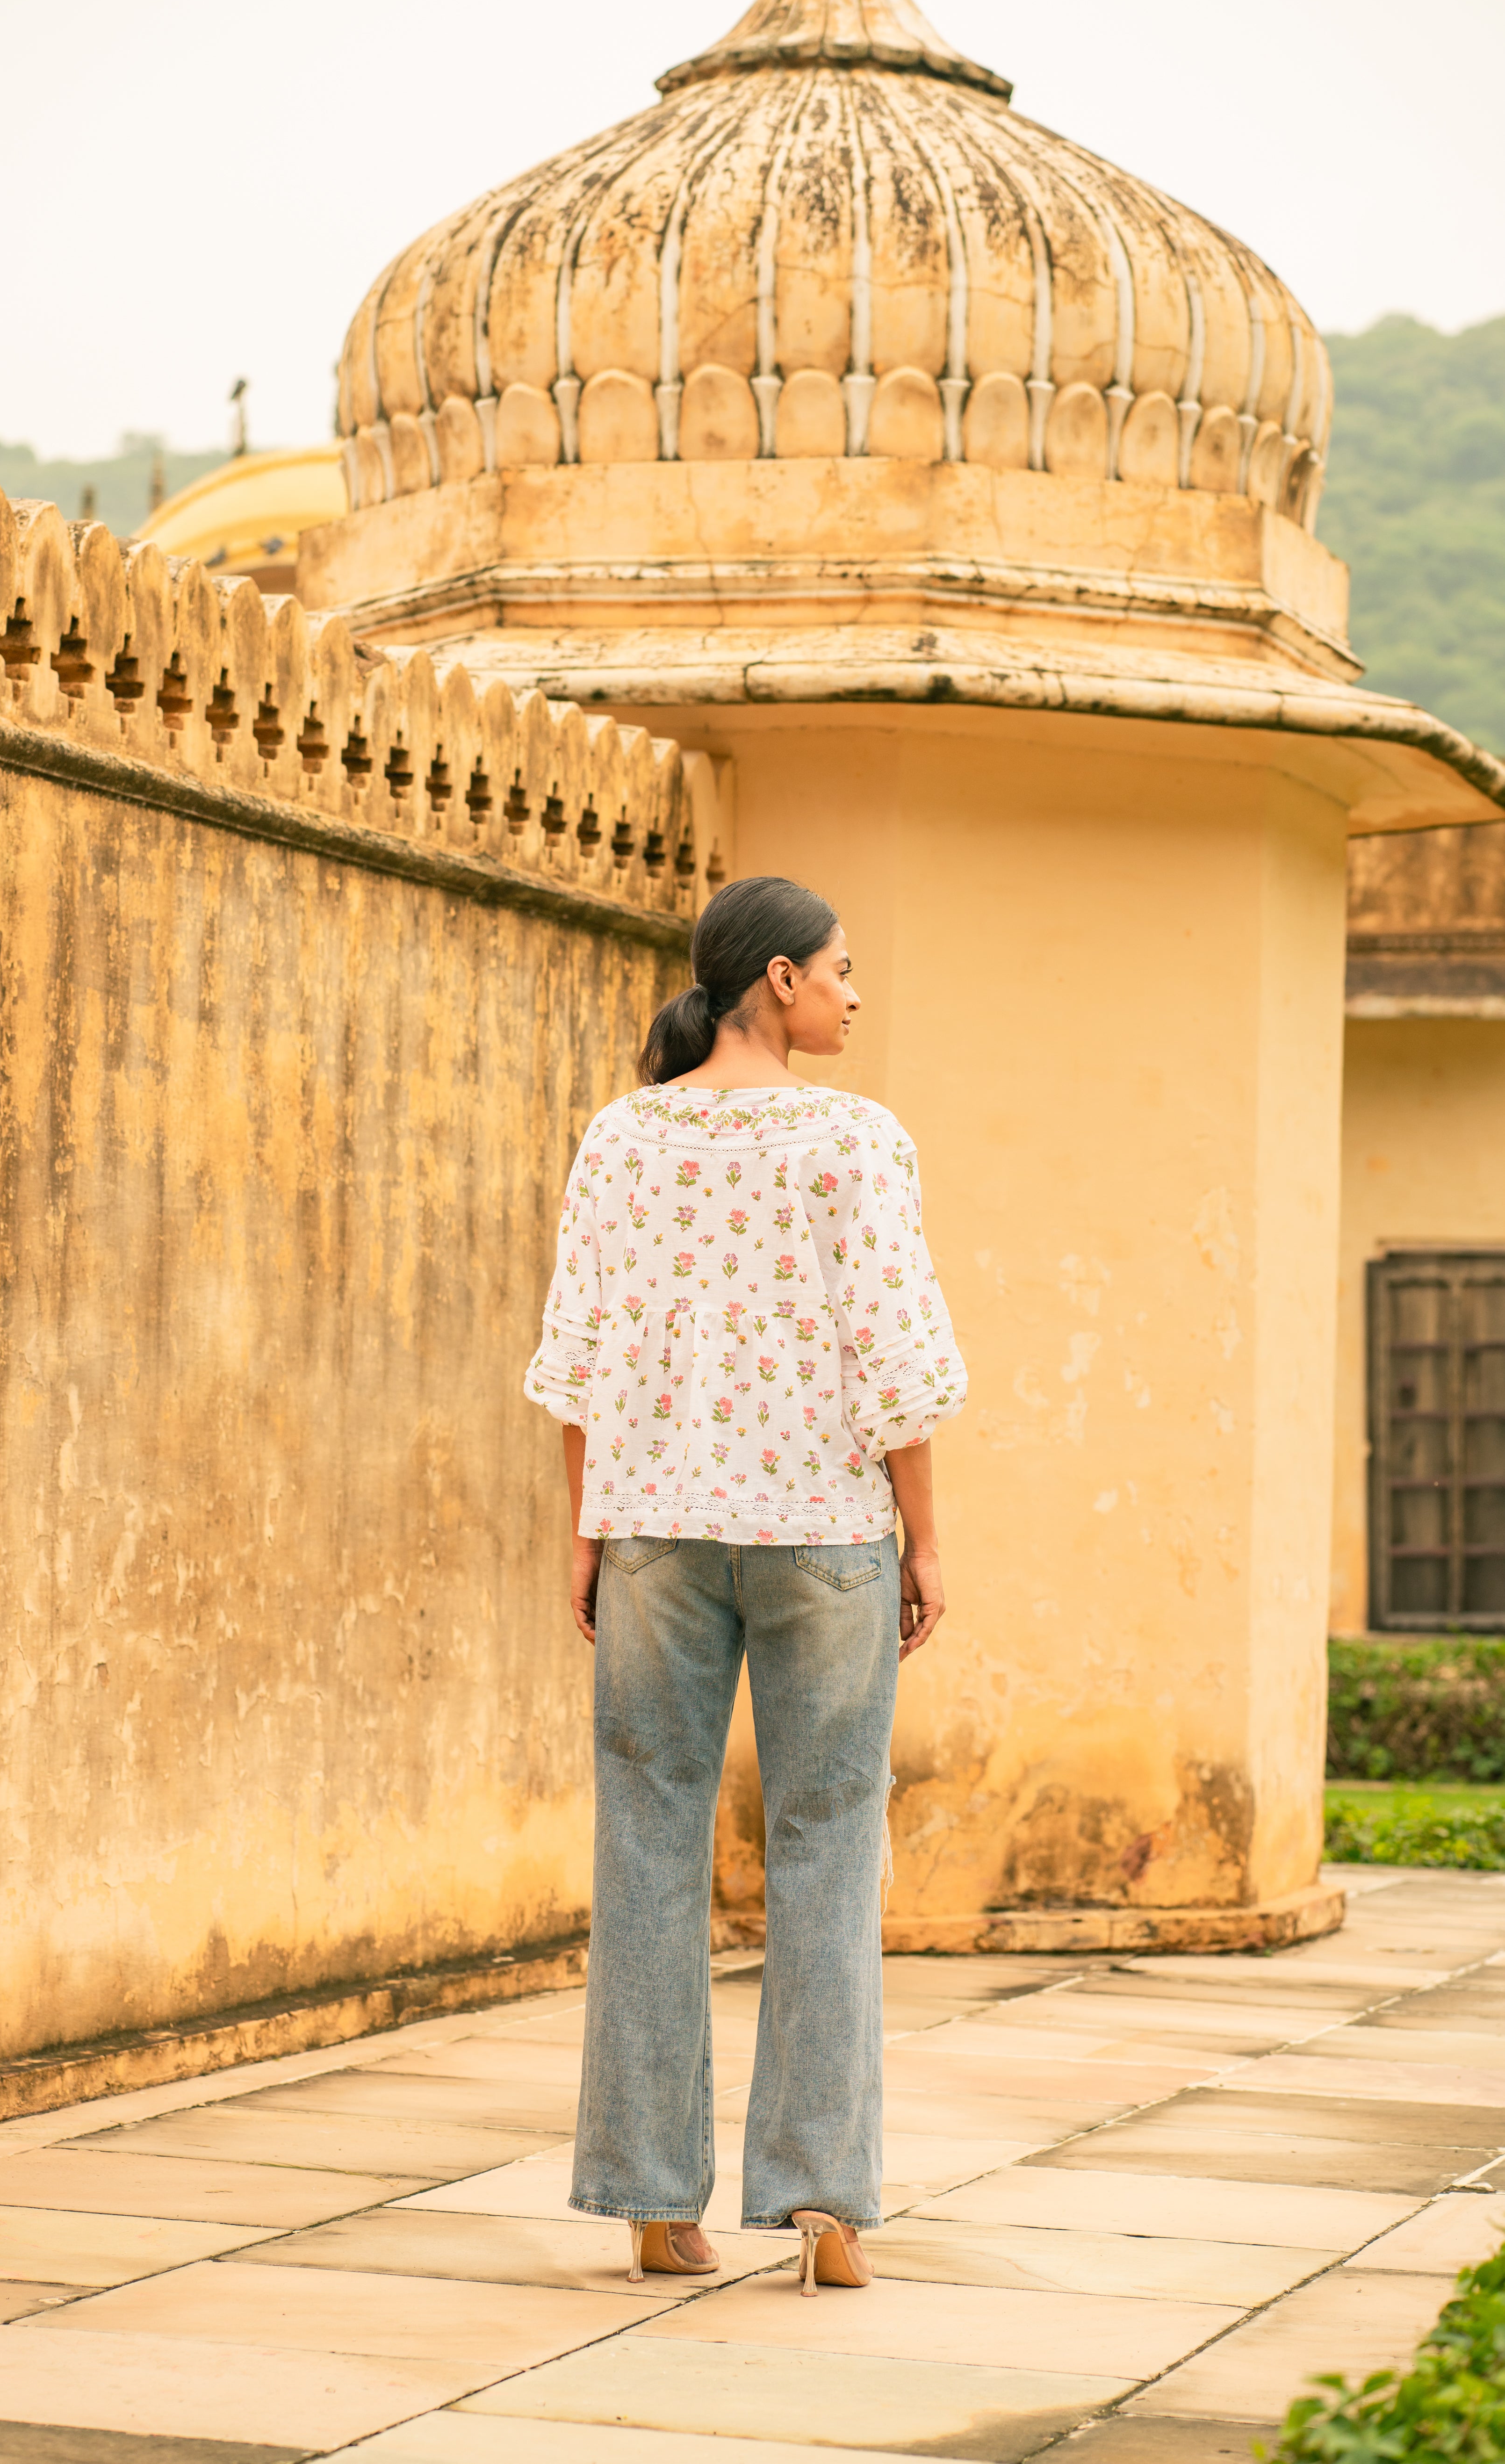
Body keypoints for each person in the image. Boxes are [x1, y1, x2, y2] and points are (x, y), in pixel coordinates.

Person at [525, 875, 966, 2295]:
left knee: (645, 1849)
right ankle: (826, 2211)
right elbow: (894, 1351)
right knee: (828, 1847)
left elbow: (577, 1345)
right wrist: (926, 1535)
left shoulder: (624, 1134)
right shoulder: (852, 1137)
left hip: (654, 1525)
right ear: (777, 980)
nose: (853, 992)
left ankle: (655, 2207)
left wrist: (588, 1524)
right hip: (823, 1530)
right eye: (841, 969)